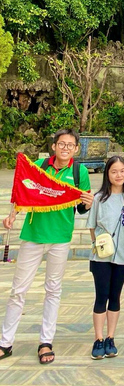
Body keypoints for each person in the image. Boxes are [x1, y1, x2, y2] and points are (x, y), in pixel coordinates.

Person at [0, 129, 93, 364]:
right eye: (61, 144)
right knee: (18, 290)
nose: (65, 148)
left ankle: (46, 342)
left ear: (76, 149)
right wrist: (12, 215)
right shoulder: (40, 166)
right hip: (33, 235)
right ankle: (5, 342)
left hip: (60, 237)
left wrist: (89, 203)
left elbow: (81, 207)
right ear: (54, 146)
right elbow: (24, 191)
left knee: (53, 289)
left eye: (70, 145)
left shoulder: (79, 172)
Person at [87, 155, 124, 359]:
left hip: (123, 254)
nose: (119, 175)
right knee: (101, 296)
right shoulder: (99, 198)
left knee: (115, 296)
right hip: (101, 256)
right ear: (107, 174)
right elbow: (92, 225)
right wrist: (97, 245)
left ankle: (111, 337)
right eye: (114, 171)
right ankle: (98, 339)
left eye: (122, 171)